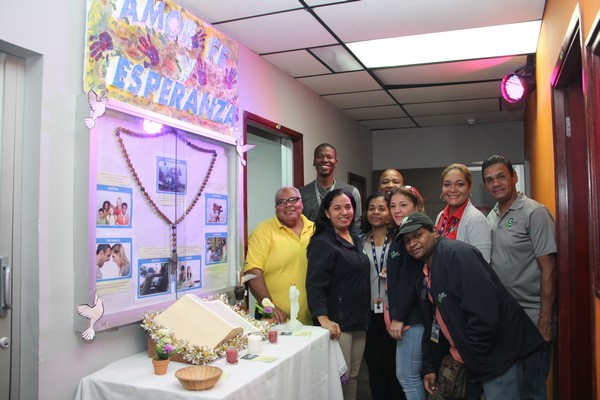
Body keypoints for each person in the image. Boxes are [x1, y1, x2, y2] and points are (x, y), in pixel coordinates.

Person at [397, 212, 544, 400]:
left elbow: (485, 313)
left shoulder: (457, 254)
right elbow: (432, 325)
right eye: (407, 241)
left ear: (434, 232)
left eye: (418, 235)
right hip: (471, 357)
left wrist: (471, 356)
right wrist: (430, 367)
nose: (412, 243)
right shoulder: (426, 273)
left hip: (495, 356)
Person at [482, 155, 557, 400]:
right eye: (490, 180)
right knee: (510, 388)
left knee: (532, 391)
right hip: (506, 319)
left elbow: (549, 269)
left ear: (514, 177)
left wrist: (545, 323)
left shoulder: (534, 213)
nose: (496, 184)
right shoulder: (491, 216)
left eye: (501, 177)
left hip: (533, 319)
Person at [306, 188, 370, 400]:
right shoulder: (323, 242)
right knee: (339, 377)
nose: (344, 212)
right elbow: (315, 284)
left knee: (353, 375)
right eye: (337, 208)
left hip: (359, 319)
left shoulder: (355, 238)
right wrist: (323, 318)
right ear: (327, 213)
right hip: (338, 323)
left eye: (348, 207)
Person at [244, 186, 314, 325]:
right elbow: (252, 271)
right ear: (276, 208)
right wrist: (270, 307)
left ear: (302, 203)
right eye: (281, 202)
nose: (288, 205)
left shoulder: (316, 230)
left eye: (293, 200)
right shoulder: (263, 231)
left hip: (313, 319)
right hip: (275, 319)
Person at [359, 192, 404, 400]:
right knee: (374, 367)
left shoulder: (400, 241)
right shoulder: (359, 242)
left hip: (393, 314)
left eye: (382, 208)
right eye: (371, 208)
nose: (376, 212)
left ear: (389, 213)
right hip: (368, 314)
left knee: (394, 367)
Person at [385, 186, 427, 400]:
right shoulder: (400, 235)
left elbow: (412, 282)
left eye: (403, 205)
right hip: (407, 317)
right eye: (393, 206)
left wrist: (399, 317)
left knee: (408, 377)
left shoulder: (412, 237)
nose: (397, 210)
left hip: (413, 319)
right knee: (410, 376)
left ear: (416, 206)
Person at [435, 163, 491, 261]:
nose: (452, 189)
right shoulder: (441, 216)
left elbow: (482, 264)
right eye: (447, 184)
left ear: (470, 187)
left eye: (459, 184)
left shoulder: (476, 220)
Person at [299, 143, 362, 230]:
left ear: (336, 162)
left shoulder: (351, 191)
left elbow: (357, 226)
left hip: (342, 239)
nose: (324, 160)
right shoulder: (301, 194)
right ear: (314, 162)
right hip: (311, 239)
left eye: (329, 157)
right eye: (320, 157)